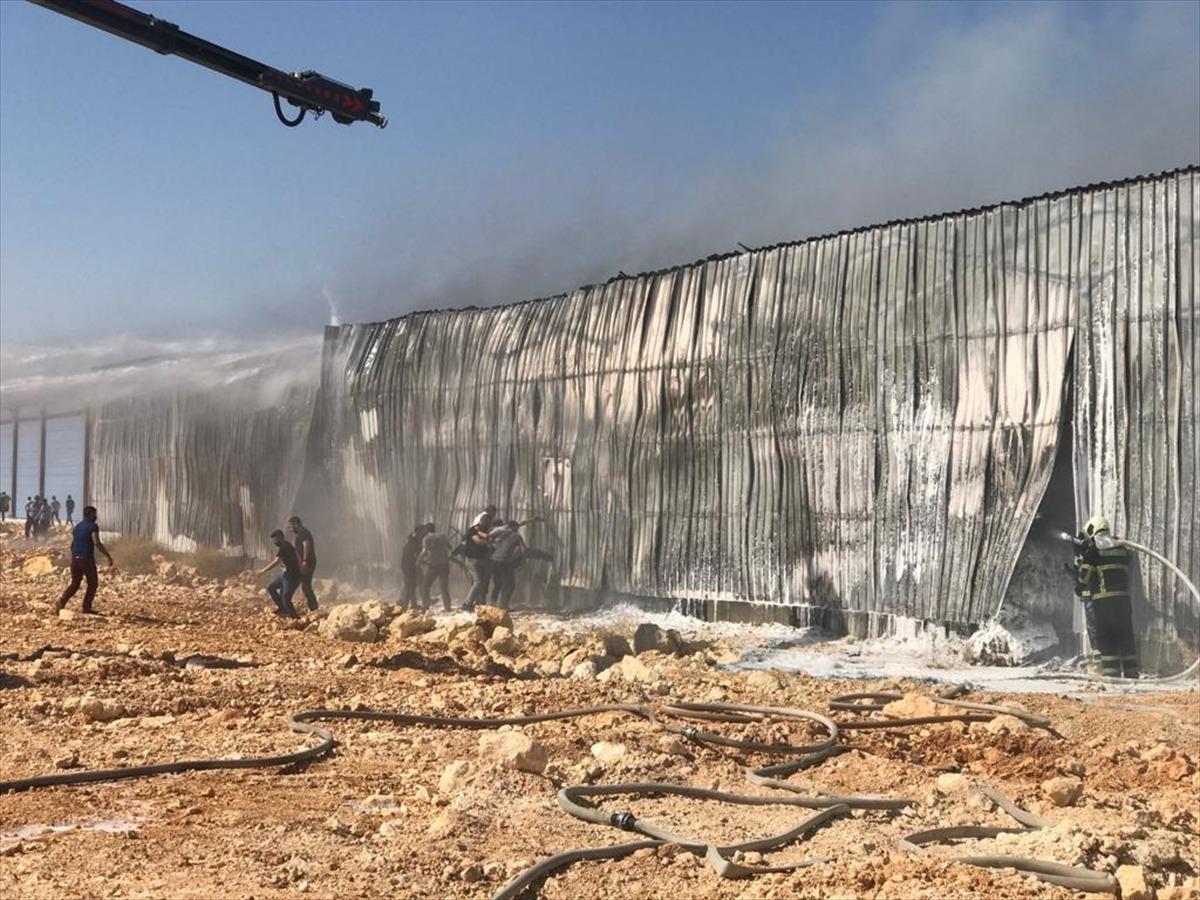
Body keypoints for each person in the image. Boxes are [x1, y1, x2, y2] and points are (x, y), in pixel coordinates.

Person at [1070, 514, 1138, 678]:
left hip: (1103, 600)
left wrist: (1078, 585)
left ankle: (1112, 674)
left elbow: (1085, 574)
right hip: (1123, 601)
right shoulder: (1121, 547)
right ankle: (1131, 673)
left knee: (1107, 637)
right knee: (1125, 635)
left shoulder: (1093, 550)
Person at [55, 505, 115, 615]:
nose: (96, 516)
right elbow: (96, 542)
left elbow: (73, 544)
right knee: (93, 584)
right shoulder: (93, 526)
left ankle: (61, 602)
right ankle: (86, 608)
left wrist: (74, 556)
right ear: (90, 514)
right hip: (86, 560)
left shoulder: (77, 527)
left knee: (75, 584)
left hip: (75, 559)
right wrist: (107, 556)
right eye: (94, 514)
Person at [255, 529, 302, 618]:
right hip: (285, 575)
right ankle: (282, 609)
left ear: (281, 537)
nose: (275, 542)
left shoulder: (285, 547)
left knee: (286, 599)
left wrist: (263, 571)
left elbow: (276, 561)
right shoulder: (286, 546)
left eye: (276, 540)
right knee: (271, 588)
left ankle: (296, 618)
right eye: (274, 541)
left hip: (292, 577)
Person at [488, 519, 528, 610]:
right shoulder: (517, 536)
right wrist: (517, 559)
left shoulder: (503, 534)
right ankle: (503, 605)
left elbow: (495, 542)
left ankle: (492, 603)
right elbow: (523, 550)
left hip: (494, 560)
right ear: (515, 527)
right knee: (509, 584)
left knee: (498, 583)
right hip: (504, 561)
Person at [461, 510, 497, 609]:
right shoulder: (473, 530)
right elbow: (478, 541)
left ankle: (479, 603)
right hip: (473, 559)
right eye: (487, 522)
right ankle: (467, 603)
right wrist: (489, 542)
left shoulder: (486, 531)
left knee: (483, 582)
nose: (488, 524)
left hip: (484, 559)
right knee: (478, 581)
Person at [418, 523, 453, 612]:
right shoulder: (443, 536)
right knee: (444, 587)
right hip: (445, 564)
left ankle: (425, 606)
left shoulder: (426, 538)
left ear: (426, 530)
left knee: (425, 586)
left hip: (434, 565)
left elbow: (424, 551)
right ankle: (447, 607)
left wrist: (418, 560)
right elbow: (449, 547)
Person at [288, 516, 319, 611]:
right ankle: (312, 606)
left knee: (305, 585)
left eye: (291, 527)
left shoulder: (302, 532)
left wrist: (305, 561)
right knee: (305, 585)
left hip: (308, 562)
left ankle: (314, 607)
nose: (290, 529)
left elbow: (306, 546)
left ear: (296, 524)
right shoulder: (301, 533)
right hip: (305, 562)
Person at [400, 523, 433, 609]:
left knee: (411, 586)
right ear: (418, 533)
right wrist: (426, 561)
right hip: (409, 567)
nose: (424, 536)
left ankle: (410, 605)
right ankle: (405, 605)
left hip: (412, 566)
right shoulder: (412, 543)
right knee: (410, 586)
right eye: (422, 534)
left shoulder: (413, 541)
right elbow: (416, 556)